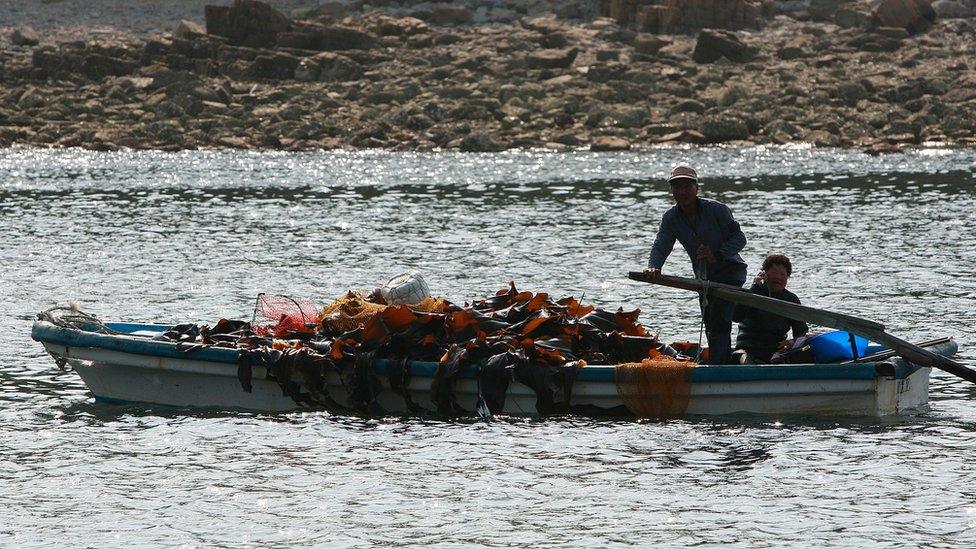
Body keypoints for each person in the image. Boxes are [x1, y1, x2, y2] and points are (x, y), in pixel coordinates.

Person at [645, 165, 747, 365]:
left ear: (696, 188)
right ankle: (720, 361)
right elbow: (661, 244)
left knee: (719, 321)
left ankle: (720, 367)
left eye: (686, 186)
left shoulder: (717, 210)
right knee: (710, 322)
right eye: (676, 187)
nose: (682, 192)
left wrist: (716, 254)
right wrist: (654, 266)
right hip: (704, 277)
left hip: (730, 272)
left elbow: (739, 239)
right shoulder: (671, 217)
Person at [732, 254, 809, 364]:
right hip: (748, 349)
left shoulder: (791, 299)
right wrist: (754, 288)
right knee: (745, 360)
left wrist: (792, 342)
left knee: (807, 352)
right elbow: (736, 316)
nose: (778, 277)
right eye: (774, 272)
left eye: (783, 274)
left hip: (775, 350)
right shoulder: (753, 293)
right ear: (764, 274)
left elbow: (801, 331)